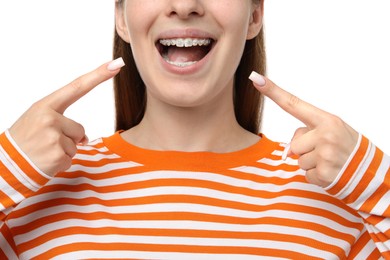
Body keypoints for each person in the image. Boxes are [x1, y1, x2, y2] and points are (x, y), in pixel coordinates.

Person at [0, 0, 388, 259]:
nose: (184, 5)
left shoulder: (342, 204)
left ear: (254, 15)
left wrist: (380, 185)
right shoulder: (28, 196)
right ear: (121, 17)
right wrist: (5, 171)